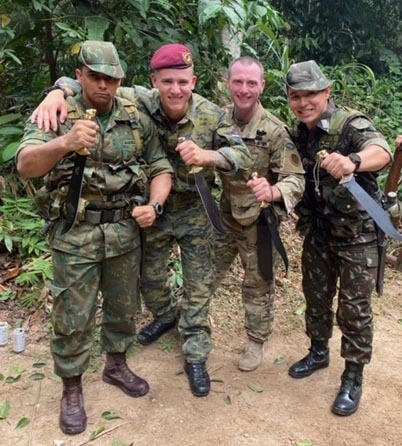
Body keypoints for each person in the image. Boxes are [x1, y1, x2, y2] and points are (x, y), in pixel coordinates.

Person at [32, 43, 252, 397]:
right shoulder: (140, 100)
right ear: (155, 81)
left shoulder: (212, 114)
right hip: (150, 212)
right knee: (148, 282)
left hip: (194, 209)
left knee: (198, 286)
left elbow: (241, 154)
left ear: (193, 81)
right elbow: (95, 82)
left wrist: (208, 155)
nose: (175, 89)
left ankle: (195, 352)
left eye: (183, 81)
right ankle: (166, 316)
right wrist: (56, 92)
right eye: (168, 82)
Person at [17, 40, 173, 435]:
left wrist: (154, 206)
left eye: (111, 78)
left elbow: (159, 165)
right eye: (95, 77)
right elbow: (25, 166)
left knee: (123, 307)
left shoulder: (137, 114)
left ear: (120, 79)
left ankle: (116, 365)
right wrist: (65, 142)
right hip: (76, 232)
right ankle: (71, 387)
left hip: (124, 231)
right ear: (80, 75)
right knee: (73, 317)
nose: (103, 85)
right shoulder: (56, 112)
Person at [285, 60, 392, 416]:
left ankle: (353, 375)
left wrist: (354, 161)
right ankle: (319, 352)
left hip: (357, 237)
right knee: (315, 298)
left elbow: (383, 150)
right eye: (296, 96)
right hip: (318, 234)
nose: (304, 102)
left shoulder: (350, 124)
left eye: (311, 94)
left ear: (327, 92)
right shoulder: (299, 132)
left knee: (354, 310)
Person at [212, 56, 304, 371]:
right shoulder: (216, 119)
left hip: (261, 222)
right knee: (204, 273)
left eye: (252, 83)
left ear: (262, 86)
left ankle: (256, 340)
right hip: (224, 216)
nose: (244, 89)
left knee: (258, 282)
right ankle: (192, 327)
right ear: (228, 83)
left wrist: (274, 190)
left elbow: (296, 178)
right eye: (238, 81)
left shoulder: (275, 130)